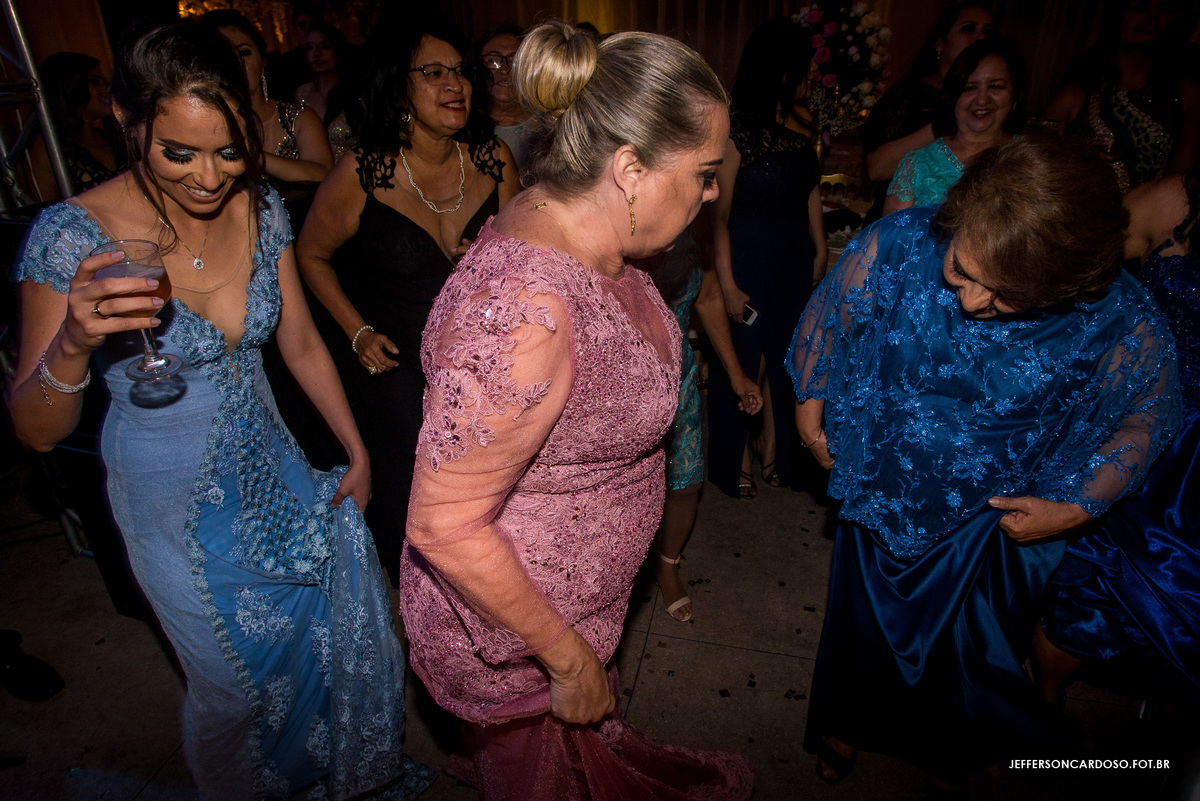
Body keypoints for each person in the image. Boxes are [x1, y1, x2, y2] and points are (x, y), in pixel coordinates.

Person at [7, 22, 433, 800]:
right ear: (125, 121)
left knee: (313, 649)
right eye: (179, 152)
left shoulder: (263, 206)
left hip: (275, 473)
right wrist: (72, 339)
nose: (209, 176)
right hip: (171, 507)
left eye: (229, 150)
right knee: (232, 690)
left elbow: (300, 341)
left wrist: (356, 449)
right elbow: (34, 428)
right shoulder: (70, 236)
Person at [398, 20, 753, 799]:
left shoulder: (577, 221)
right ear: (627, 167)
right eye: (702, 172)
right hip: (523, 638)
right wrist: (565, 657)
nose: (712, 191)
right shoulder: (527, 309)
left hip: (581, 604)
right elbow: (444, 521)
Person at [788, 135, 1179, 794]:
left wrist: (1078, 503)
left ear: (1066, 286)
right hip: (886, 481)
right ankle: (846, 722)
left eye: (1000, 296)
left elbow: (1148, 413)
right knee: (863, 630)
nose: (970, 301)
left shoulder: (1117, 315)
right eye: (962, 273)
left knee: (964, 658)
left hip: (991, 524)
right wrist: (812, 395)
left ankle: (954, 747)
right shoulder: (905, 239)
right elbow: (838, 306)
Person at [297, 16, 519, 584]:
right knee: (413, 508)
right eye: (435, 73)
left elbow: (524, 263)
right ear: (400, 87)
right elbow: (311, 256)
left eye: (463, 73)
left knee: (486, 507)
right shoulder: (361, 174)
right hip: (397, 379)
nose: (457, 85)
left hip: (481, 372)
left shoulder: (494, 160)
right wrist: (356, 330)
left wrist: (494, 261)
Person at [1037, 168, 1199, 713]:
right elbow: (1077, 253)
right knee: (1086, 580)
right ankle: (1037, 703)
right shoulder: (1177, 200)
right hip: (1142, 426)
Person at [709, 17, 827, 500]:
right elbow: (716, 217)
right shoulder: (736, 132)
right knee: (746, 359)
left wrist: (820, 252)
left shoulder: (804, 124)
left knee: (789, 360)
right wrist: (729, 284)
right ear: (778, 69)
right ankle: (735, 454)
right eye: (803, 66)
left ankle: (775, 447)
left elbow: (810, 194)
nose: (811, 75)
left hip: (795, 258)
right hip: (748, 257)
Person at [642, 226, 762, 622]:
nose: (711, 188)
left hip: (677, 374)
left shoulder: (697, 220)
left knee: (686, 481)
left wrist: (736, 375)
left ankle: (667, 563)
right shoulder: (610, 216)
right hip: (618, 381)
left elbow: (709, 297)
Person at [1043, 0, 1200, 191]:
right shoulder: (1077, 93)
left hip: (1151, 213)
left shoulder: (1187, 95)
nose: (1152, 18)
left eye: (1164, 10)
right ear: (1117, 17)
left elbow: (1178, 183)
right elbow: (1037, 161)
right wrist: (1078, 156)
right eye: (1139, 8)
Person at [862, 2, 993, 222]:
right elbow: (876, 168)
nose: (980, 37)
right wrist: (942, 124)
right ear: (940, 44)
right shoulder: (908, 95)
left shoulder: (990, 105)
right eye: (969, 28)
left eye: (988, 31)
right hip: (903, 226)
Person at [884, 36, 1027, 214]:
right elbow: (892, 239)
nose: (982, 100)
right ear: (953, 95)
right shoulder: (917, 165)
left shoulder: (1031, 161)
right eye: (970, 87)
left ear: (1015, 95)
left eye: (996, 86)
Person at [205, 9, 333, 190]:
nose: (236, 63)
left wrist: (253, 155)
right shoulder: (203, 125)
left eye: (244, 52)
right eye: (223, 55)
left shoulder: (298, 118)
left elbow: (323, 173)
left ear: (263, 61)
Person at [38, 51, 123, 194]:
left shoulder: (113, 137)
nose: (107, 88)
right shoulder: (50, 146)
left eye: (106, 82)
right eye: (94, 81)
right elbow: (43, 206)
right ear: (69, 86)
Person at [294, 21, 358, 160]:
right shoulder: (302, 93)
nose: (316, 54)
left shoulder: (356, 92)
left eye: (325, 46)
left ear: (337, 48)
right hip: (316, 177)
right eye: (309, 48)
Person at [477, 24, 533, 174]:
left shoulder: (547, 124)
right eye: (493, 61)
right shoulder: (469, 130)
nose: (504, 69)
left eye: (514, 60)